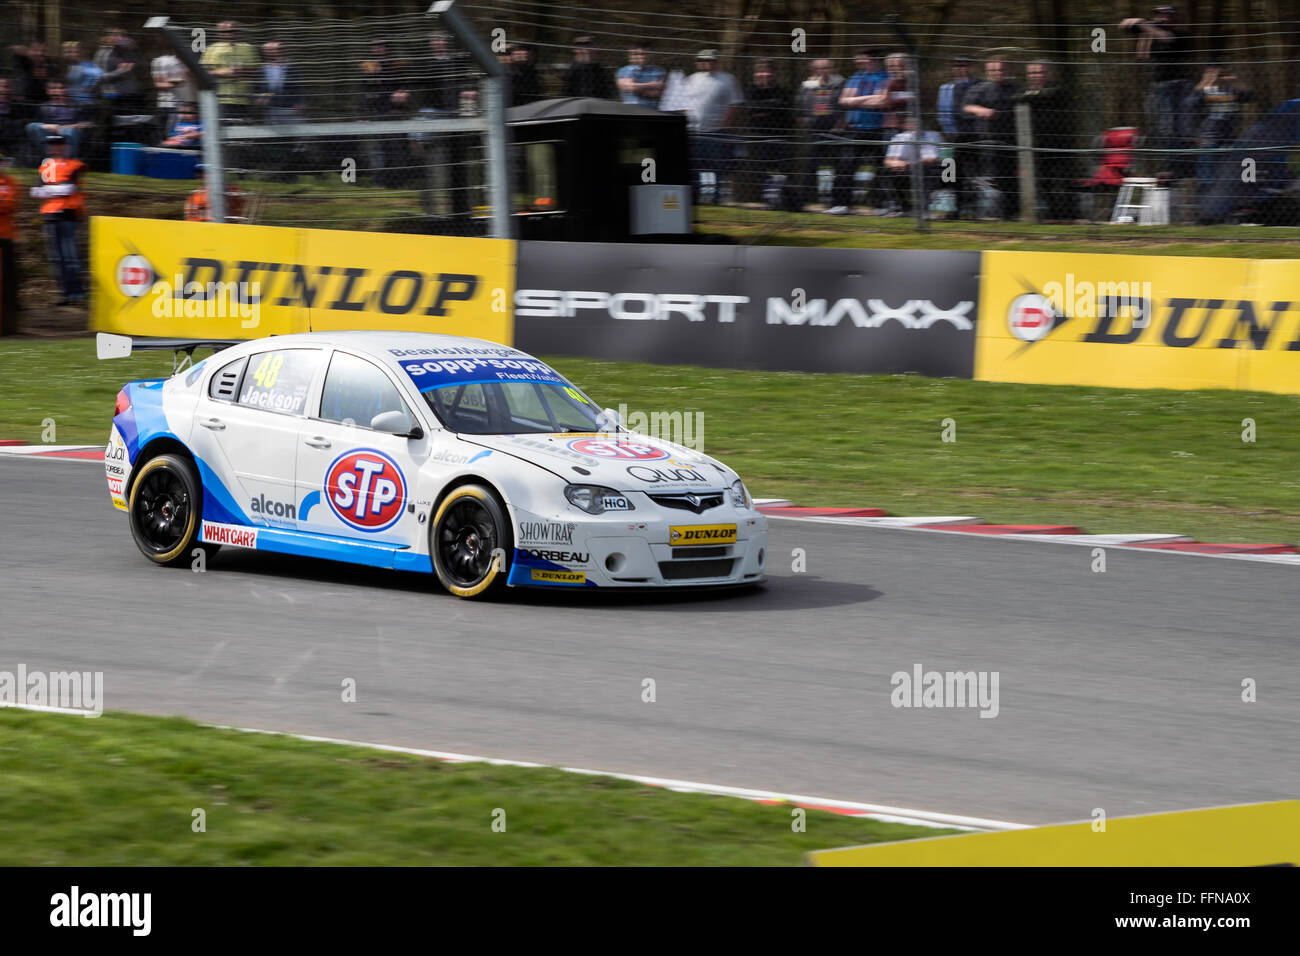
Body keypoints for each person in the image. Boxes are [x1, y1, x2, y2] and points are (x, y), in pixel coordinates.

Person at [1121, 5, 1192, 176]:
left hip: (1179, 86)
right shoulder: (1153, 34)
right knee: (1164, 127)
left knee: (1181, 127)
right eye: (1159, 15)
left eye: (1166, 15)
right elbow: (1142, 55)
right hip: (1160, 87)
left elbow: (1167, 38)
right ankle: (1170, 165)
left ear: (1173, 17)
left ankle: (1180, 165)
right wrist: (1143, 31)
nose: (1162, 18)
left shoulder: (1180, 35)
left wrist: (1145, 25)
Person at [1015, 60, 1075, 221]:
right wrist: (1033, 95)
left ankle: (1068, 215)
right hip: (1036, 145)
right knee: (1043, 181)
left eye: (1039, 72)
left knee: (1061, 181)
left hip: (1059, 144)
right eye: (1032, 73)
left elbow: (1051, 94)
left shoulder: (1059, 89)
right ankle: (1052, 215)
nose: (1036, 76)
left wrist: (1033, 95)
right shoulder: (1023, 90)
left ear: (1048, 73)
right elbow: (1015, 98)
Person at [682, 50, 743, 205]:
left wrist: (724, 126)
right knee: (693, 167)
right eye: (705, 60)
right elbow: (683, 102)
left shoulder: (727, 79)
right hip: (694, 132)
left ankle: (716, 198)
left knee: (717, 167)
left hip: (716, 132)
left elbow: (733, 104)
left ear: (717, 61)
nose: (708, 62)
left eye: (711, 60)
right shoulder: (691, 79)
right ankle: (694, 198)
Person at [31, 134, 86, 306]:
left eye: (57, 144)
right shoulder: (44, 166)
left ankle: (76, 294)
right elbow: (34, 191)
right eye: (51, 144)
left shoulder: (74, 165)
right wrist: (55, 190)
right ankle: (65, 294)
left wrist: (48, 190)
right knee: (57, 258)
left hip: (67, 214)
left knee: (70, 257)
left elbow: (69, 188)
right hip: (50, 215)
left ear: (64, 146)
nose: (54, 147)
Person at [963, 58, 1020, 219]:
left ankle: (1011, 213)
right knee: (991, 177)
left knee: (1010, 177)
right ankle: (992, 212)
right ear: (987, 72)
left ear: (1008, 71)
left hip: (1011, 140)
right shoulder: (979, 88)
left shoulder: (1015, 89)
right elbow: (966, 106)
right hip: (988, 140)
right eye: (993, 71)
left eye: (1001, 70)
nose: (997, 73)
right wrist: (980, 110)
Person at [833, 48, 887, 215]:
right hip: (855, 128)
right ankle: (841, 204)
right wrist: (868, 100)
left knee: (881, 167)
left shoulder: (885, 76)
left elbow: (881, 102)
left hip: (878, 129)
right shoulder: (856, 77)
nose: (857, 62)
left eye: (861, 59)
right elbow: (843, 100)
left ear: (872, 59)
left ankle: (880, 204)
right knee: (846, 165)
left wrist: (855, 101)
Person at [1185, 64, 1253, 188]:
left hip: (1231, 136)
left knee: (1234, 169)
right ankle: (1207, 191)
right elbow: (1190, 103)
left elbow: (1250, 96)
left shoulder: (1232, 89)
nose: (1219, 77)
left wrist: (1235, 80)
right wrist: (1206, 81)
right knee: (1207, 173)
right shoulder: (1204, 90)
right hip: (1209, 136)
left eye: (1222, 74)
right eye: (1216, 74)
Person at [742, 58, 794, 205]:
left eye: (768, 72)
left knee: (783, 169)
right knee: (761, 169)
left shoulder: (782, 91)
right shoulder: (751, 91)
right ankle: (769, 198)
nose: (765, 75)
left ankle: (782, 198)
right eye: (761, 72)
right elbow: (751, 108)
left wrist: (764, 108)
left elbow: (785, 108)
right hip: (758, 136)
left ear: (774, 73)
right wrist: (773, 105)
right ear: (756, 73)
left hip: (780, 136)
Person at [795, 58, 844, 211]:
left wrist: (842, 122)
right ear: (814, 70)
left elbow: (844, 105)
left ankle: (837, 203)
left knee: (839, 166)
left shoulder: (840, 84)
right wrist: (802, 120)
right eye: (820, 68)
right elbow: (798, 107)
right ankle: (803, 201)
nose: (823, 71)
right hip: (814, 132)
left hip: (835, 131)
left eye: (827, 68)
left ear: (832, 69)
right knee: (809, 166)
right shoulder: (806, 86)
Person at [937, 55, 978, 219]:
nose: (960, 68)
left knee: (971, 173)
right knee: (950, 172)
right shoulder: (946, 88)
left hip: (973, 136)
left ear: (971, 67)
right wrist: (948, 130)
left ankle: (971, 208)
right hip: (952, 136)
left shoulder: (978, 85)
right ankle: (953, 208)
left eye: (964, 65)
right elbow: (941, 112)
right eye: (957, 65)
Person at [878, 114, 943, 216]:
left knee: (935, 169)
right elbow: (888, 160)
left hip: (929, 171)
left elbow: (932, 159)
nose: (914, 125)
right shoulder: (899, 137)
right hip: (907, 171)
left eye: (917, 122)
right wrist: (898, 164)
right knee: (885, 172)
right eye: (911, 122)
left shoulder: (932, 136)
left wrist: (910, 164)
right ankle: (903, 208)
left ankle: (923, 210)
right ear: (905, 125)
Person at [201, 21, 260, 122]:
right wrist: (222, 73)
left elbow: (257, 70)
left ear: (239, 32)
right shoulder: (212, 49)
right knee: (223, 132)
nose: (230, 33)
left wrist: (241, 72)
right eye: (225, 31)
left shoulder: (248, 48)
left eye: (233, 30)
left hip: (244, 99)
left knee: (243, 132)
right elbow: (201, 72)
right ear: (219, 33)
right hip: (219, 99)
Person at [25, 82, 92, 159]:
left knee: (69, 131)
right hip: (50, 133)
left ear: (68, 89)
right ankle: (50, 158)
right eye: (55, 88)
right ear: (49, 91)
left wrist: (63, 128)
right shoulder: (44, 107)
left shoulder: (79, 106)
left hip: (71, 133)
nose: (59, 91)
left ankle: (68, 161)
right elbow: (39, 124)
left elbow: (86, 124)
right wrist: (49, 127)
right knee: (31, 126)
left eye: (62, 88)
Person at [256, 41, 305, 125]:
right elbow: (260, 87)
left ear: (282, 50)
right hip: (270, 109)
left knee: (294, 134)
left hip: (290, 108)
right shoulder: (262, 68)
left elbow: (300, 86)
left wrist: (301, 102)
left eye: (273, 49)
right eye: (267, 50)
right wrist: (262, 98)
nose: (269, 52)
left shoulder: (292, 67)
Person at [0, 152, 19, 330]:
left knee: (7, 279)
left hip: (6, 236)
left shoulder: (11, 183)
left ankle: (8, 321)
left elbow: (10, 205)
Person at [615, 43, 665, 108]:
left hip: (652, 110)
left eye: (646, 53)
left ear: (652, 54)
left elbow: (658, 92)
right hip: (630, 108)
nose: (642, 56)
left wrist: (637, 88)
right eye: (638, 54)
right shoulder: (625, 70)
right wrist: (651, 85)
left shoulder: (658, 71)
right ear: (632, 56)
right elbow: (629, 87)